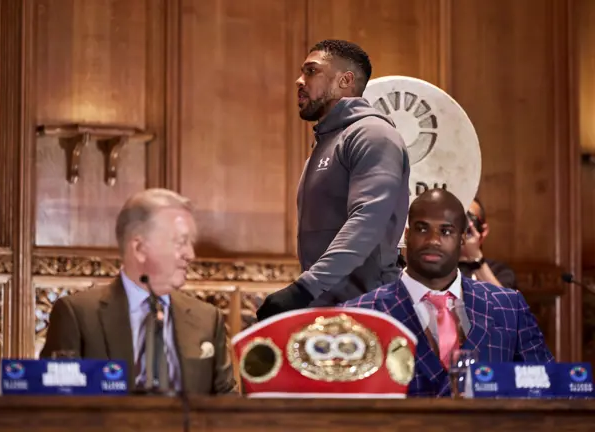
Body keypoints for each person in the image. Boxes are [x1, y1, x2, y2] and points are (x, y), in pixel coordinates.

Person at [342, 189, 553, 397]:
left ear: (462, 239)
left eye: (446, 231)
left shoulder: (508, 307)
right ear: (407, 235)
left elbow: (549, 392)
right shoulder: (359, 314)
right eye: (423, 229)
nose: (433, 240)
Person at [257, 39, 410, 320]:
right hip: (331, 309)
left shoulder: (372, 134)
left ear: (345, 80)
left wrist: (302, 290)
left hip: (370, 308)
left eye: (311, 71)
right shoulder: (327, 143)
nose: (298, 81)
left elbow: (367, 221)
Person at [41, 189, 236, 395]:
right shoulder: (78, 316)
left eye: (190, 243)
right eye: (181, 242)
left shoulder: (207, 319)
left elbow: (228, 404)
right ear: (140, 248)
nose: (190, 254)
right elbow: (55, 407)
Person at [459, 196, 517, 288]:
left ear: (483, 231)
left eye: (469, 218)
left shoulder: (500, 271)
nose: (463, 226)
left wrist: (476, 260)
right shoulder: (438, 268)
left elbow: (503, 301)